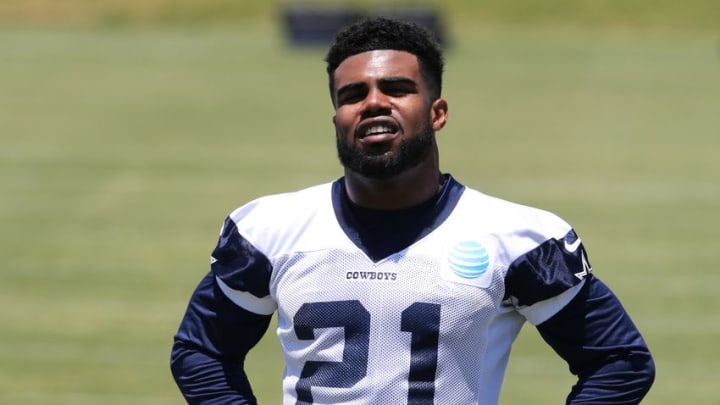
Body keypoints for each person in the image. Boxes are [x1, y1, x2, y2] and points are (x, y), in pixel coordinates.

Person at [170, 17, 655, 404]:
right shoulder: (271, 229)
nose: (374, 103)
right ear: (336, 118)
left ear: (437, 111)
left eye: (397, 89)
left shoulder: (518, 239)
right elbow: (202, 351)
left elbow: (619, 363)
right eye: (352, 95)